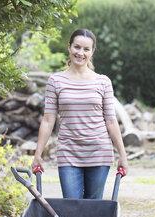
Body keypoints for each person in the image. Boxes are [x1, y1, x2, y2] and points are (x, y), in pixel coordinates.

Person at [31, 28, 128, 199]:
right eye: (77, 47)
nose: (80, 53)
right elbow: (47, 121)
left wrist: (122, 155)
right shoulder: (55, 81)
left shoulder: (103, 82)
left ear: (92, 52)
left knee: (92, 208)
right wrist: (38, 154)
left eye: (86, 49)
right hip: (68, 152)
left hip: (99, 152)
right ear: (69, 47)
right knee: (72, 207)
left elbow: (111, 122)